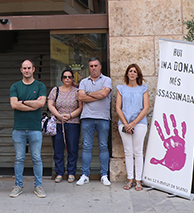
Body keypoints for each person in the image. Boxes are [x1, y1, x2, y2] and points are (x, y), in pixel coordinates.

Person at [9, 59, 47, 198]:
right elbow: (14, 105)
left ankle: (38, 186)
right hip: (19, 128)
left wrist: (23, 102)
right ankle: (18, 186)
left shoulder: (40, 85)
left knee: (36, 158)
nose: (26, 70)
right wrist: (33, 104)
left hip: (35, 128)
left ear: (33, 69)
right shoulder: (15, 86)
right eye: (24, 68)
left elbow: (41, 103)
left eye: (29, 68)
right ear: (21, 70)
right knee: (19, 158)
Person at [76, 57, 113, 186]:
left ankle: (104, 175)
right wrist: (97, 94)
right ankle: (85, 175)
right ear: (89, 67)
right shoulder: (83, 81)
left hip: (103, 118)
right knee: (86, 146)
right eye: (91, 66)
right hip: (87, 117)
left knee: (103, 146)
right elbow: (80, 96)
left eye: (96, 65)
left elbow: (104, 94)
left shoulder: (107, 80)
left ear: (100, 66)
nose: (94, 68)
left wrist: (88, 94)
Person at [115, 63, 151, 190]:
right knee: (128, 152)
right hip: (124, 124)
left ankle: (138, 180)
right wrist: (126, 124)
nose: (132, 73)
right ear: (127, 74)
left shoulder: (143, 88)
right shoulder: (121, 88)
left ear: (138, 74)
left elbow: (146, 107)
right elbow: (118, 108)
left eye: (134, 71)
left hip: (139, 124)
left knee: (138, 151)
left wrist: (134, 123)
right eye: (130, 71)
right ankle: (130, 179)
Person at [47, 68, 82, 183]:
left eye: (69, 77)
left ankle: (71, 172)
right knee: (58, 148)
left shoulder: (77, 91)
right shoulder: (55, 90)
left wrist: (70, 115)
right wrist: (58, 115)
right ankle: (59, 172)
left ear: (72, 79)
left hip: (73, 123)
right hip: (58, 123)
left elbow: (80, 107)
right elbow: (50, 104)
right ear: (62, 79)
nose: (67, 79)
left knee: (72, 148)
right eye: (65, 77)